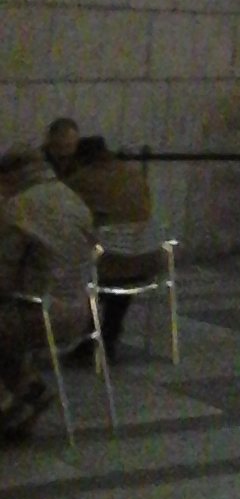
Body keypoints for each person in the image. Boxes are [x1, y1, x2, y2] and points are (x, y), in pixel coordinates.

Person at [0, 147, 97, 435]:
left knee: (6, 325)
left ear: (9, 177)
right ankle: (30, 390)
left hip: (40, 315)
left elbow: (3, 276)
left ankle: (9, 404)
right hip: (82, 314)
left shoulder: (18, 207)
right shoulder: (73, 199)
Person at [58, 137, 154, 360]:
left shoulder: (80, 181)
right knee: (121, 267)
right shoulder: (134, 175)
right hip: (144, 260)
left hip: (104, 265)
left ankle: (88, 337)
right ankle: (110, 333)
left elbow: (66, 219)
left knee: (78, 267)